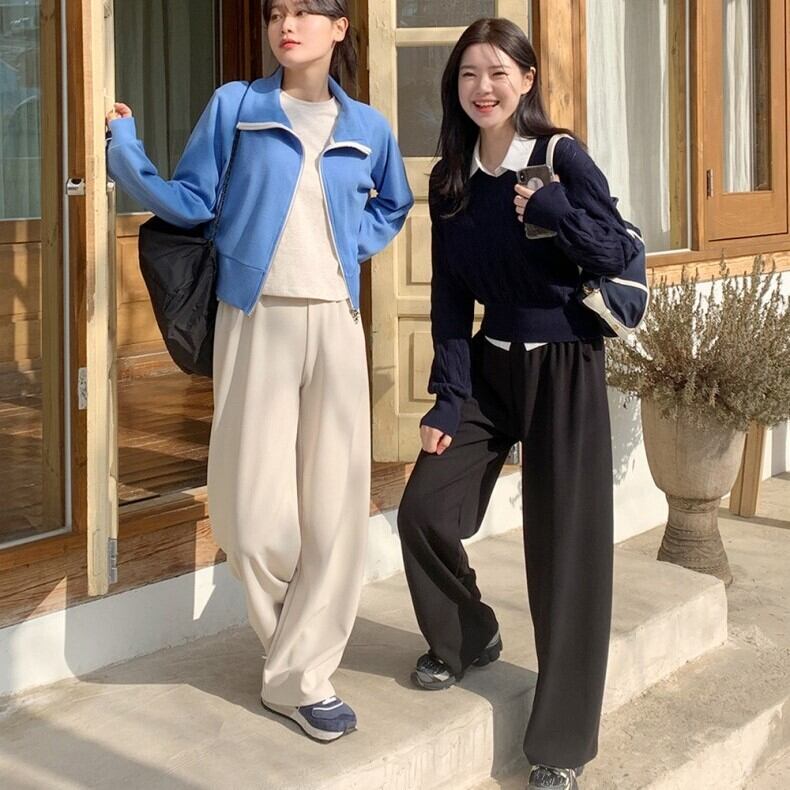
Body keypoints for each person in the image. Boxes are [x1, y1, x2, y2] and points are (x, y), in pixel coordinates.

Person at [106, 0, 413, 743]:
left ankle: (301, 678)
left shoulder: (368, 127)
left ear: (340, 28)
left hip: (335, 320)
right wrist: (124, 151)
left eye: (306, 11)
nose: (287, 25)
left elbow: (395, 205)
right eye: (277, 12)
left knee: (335, 504)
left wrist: (348, 246)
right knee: (247, 513)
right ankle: (293, 653)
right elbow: (190, 200)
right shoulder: (236, 107)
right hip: (255, 314)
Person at [396, 17, 640, 789]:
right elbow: (448, 297)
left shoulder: (559, 156)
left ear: (526, 80)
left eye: (499, 72)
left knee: (565, 556)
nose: (484, 87)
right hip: (489, 367)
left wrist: (554, 213)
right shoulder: (451, 179)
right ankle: (468, 635)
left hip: (566, 366)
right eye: (469, 73)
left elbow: (618, 250)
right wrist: (447, 398)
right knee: (423, 510)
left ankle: (561, 745)